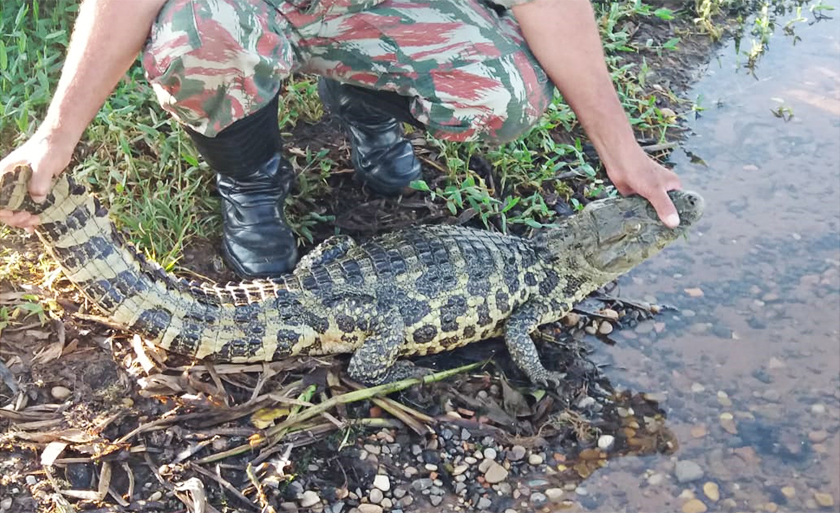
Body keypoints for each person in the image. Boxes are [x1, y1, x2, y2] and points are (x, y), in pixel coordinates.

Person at [0, 0, 682, 279]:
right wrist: (57, 133)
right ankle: (252, 177)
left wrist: (621, 149)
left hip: (386, 14)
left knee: (506, 96)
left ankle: (362, 100)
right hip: (249, 9)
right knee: (195, 44)